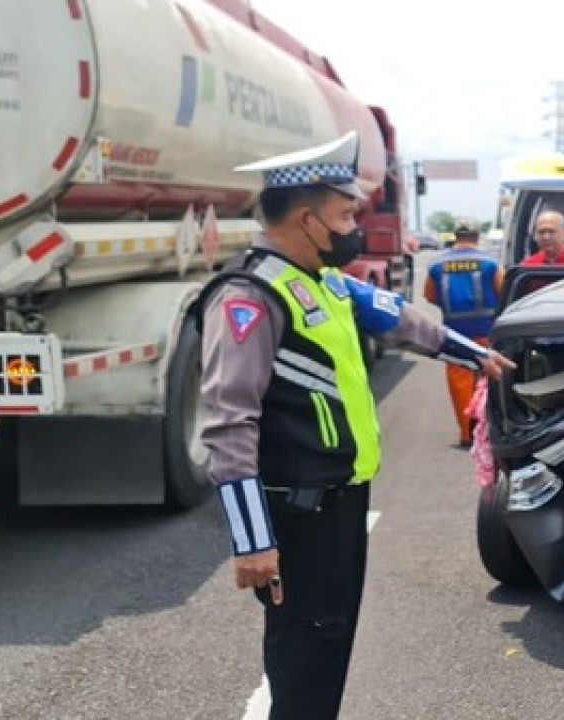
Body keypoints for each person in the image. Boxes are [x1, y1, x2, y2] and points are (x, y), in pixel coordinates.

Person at [198, 132, 514, 720]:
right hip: (299, 513)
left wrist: (479, 356)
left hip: (338, 503)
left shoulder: (322, 281)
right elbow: (228, 421)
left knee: (327, 650)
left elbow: (400, 320)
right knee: (304, 661)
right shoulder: (250, 297)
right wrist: (252, 540)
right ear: (307, 218)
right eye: (345, 215)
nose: (354, 228)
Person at [423, 221, 504, 447]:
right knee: (490, 380)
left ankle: (468, 433)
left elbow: (429, 295)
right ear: (476, 237)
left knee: (460, 384)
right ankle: (489, 429)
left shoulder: (437, 264)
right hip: (488, 332)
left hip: (455, 334)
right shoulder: (490, 262)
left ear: (456, 236)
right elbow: (503, 291)